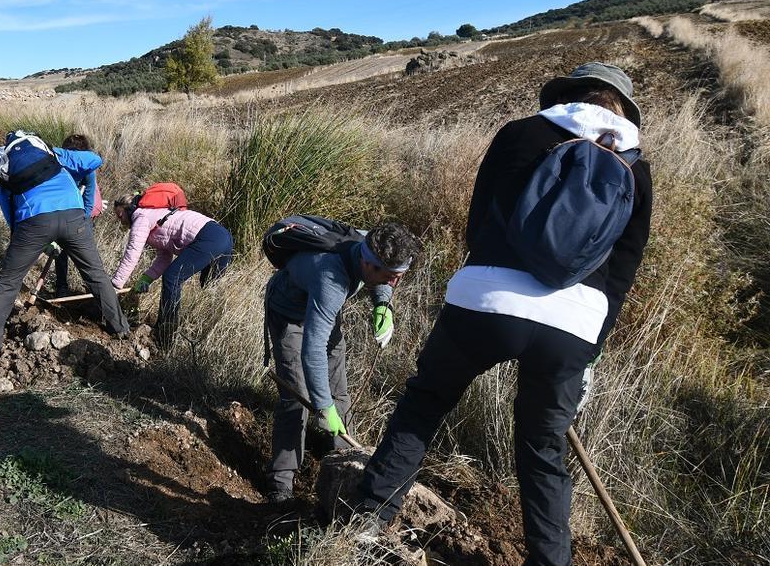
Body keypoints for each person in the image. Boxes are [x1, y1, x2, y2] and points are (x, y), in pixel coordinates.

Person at [356, 63, 652, 566]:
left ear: (567, 96)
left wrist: (489, 276)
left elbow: (478, 221)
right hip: (576, 323)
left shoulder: (522, 134)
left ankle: (368, 520)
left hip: (486, 298)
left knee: (426, 402)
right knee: (543, 450)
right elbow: (623, 268)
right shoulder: (636, 168)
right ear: (622, 110)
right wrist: (590, 352)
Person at [265, 222, 421, 503]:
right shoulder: (331, 280)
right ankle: (281, 482)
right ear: (368, 264)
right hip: (289, 312)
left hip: (323, 313)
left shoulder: (368, 241)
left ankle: (344, 467)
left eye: (399, 275)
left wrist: (383, 304)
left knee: (339, 392)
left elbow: (383, 280)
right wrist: (322, 407)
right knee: (296, 397)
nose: (395, 283)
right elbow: (311, 350)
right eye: (390, 277)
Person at [0, 132, 129, 362]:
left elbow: (10, 212)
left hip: (33, 222)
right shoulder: (54, 156)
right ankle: (121, 328)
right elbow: (95, 160)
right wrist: (56, 151)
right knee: (96, 275)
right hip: (73, 216)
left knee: (7, 282)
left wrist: (27, 240)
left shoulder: (7, 168)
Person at [111, 196, 233, 346]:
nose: (121, 221)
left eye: (120, 215)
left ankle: (165, 334)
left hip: (208, 237)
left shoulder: (140, 217)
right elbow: (164, 257)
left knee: (172, 277)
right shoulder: (154, 215)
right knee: (208, 288)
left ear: (129, 209)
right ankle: (211, 335)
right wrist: (146, 278)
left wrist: (116, 284)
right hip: (222, 236)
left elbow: (132, 253)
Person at [50, 134, 103, 298]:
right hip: (57, 212)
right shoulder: (56, 165)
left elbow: (89, 199)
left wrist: (84, 222)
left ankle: (95, 291)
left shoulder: (87, 169)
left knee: (87, 256)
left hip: (78, 214)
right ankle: (61, 288)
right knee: (60, 253)